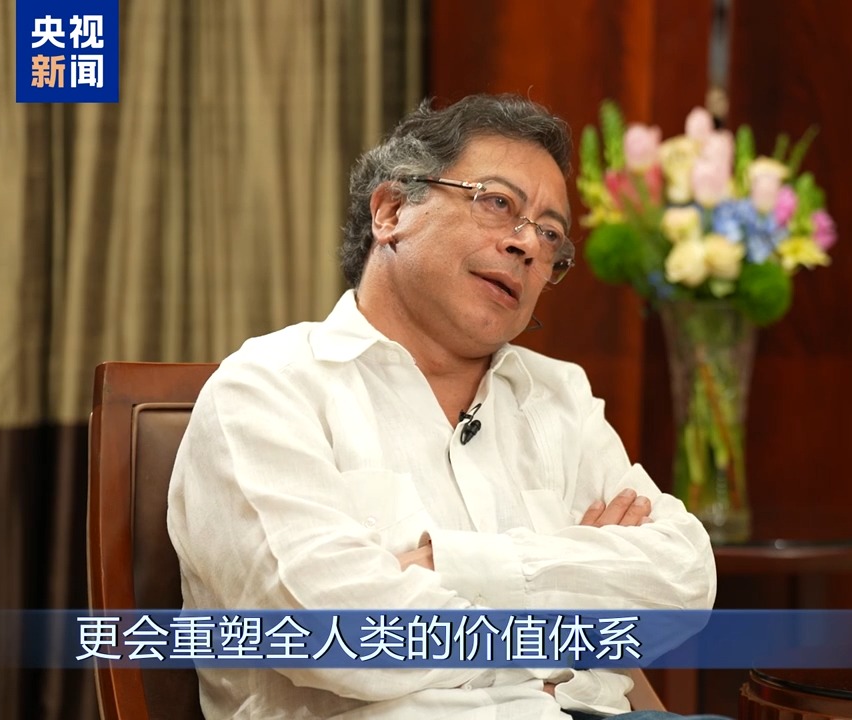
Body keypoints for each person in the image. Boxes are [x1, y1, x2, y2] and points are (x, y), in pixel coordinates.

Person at [167, 94, 723, 719]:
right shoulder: (270, 388)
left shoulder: (559, 395)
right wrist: (572, 611)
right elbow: (340, 635)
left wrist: (446, 564)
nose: (528, 245)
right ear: (392, 211)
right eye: (498, 203)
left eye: (550, 234)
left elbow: (685, 579)